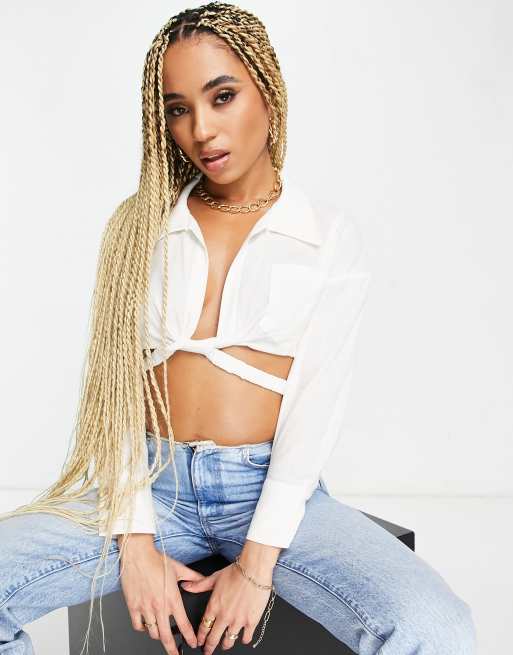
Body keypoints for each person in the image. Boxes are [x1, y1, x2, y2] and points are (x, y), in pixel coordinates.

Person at [0, 3, 477, 655]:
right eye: (178, 109)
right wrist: (135, 539)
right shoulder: (140, 226)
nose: (201, 129)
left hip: (269, 489)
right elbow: (116, 388)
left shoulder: (326, 235)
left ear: (267, 92)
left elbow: (315, 404)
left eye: (222, 96)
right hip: (151, 485)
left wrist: (256, 566)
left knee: (436, 627)